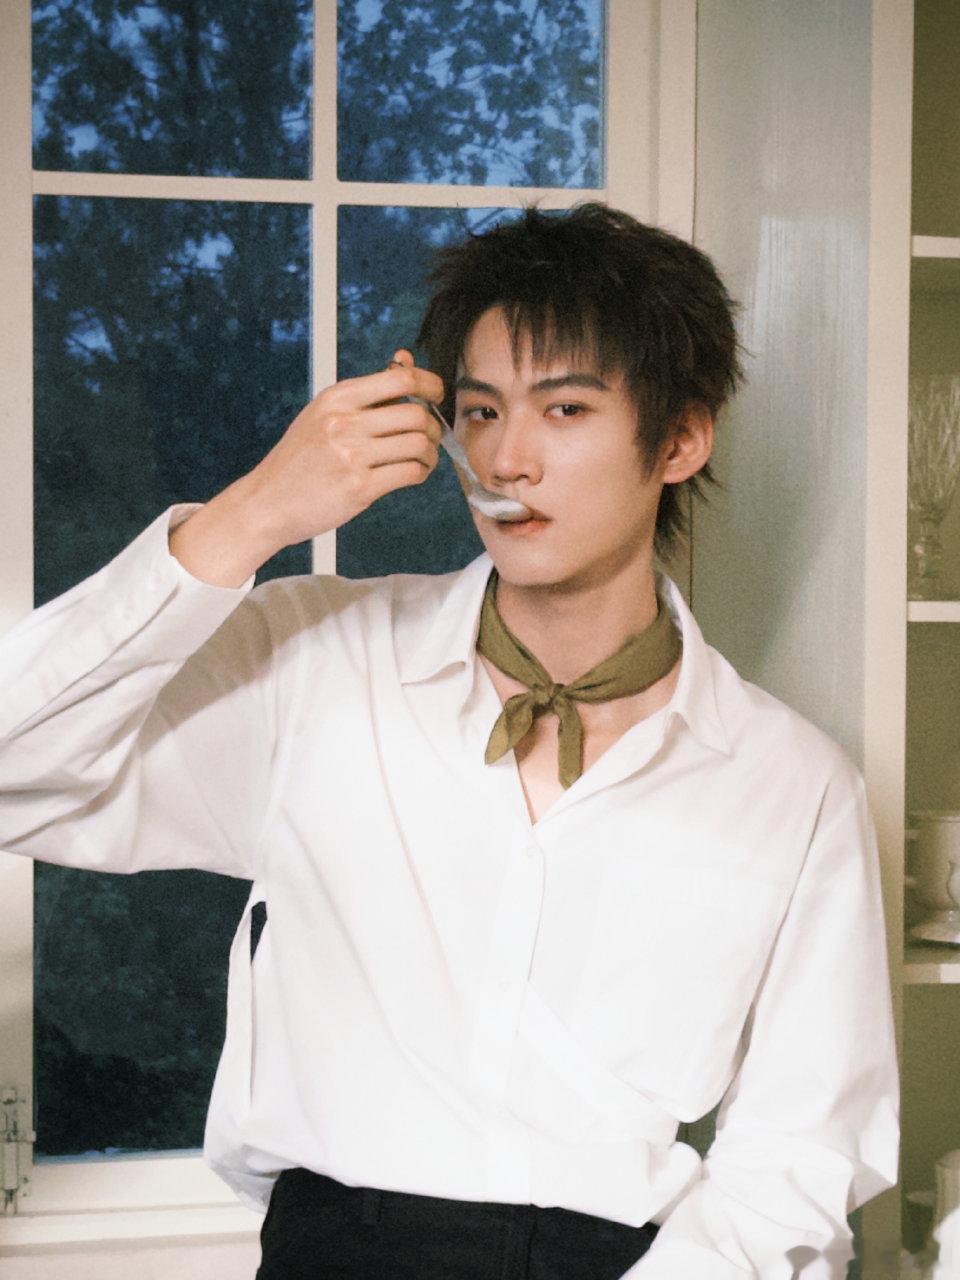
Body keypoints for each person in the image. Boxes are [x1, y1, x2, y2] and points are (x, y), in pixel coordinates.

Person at [0, 203, 898, 1278]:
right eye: (480, 411)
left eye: (564, 408)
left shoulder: (795, 784)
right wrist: (252, 513)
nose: (507, 458)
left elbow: (800, 1156)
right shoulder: (316, 662)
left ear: (680, 439)